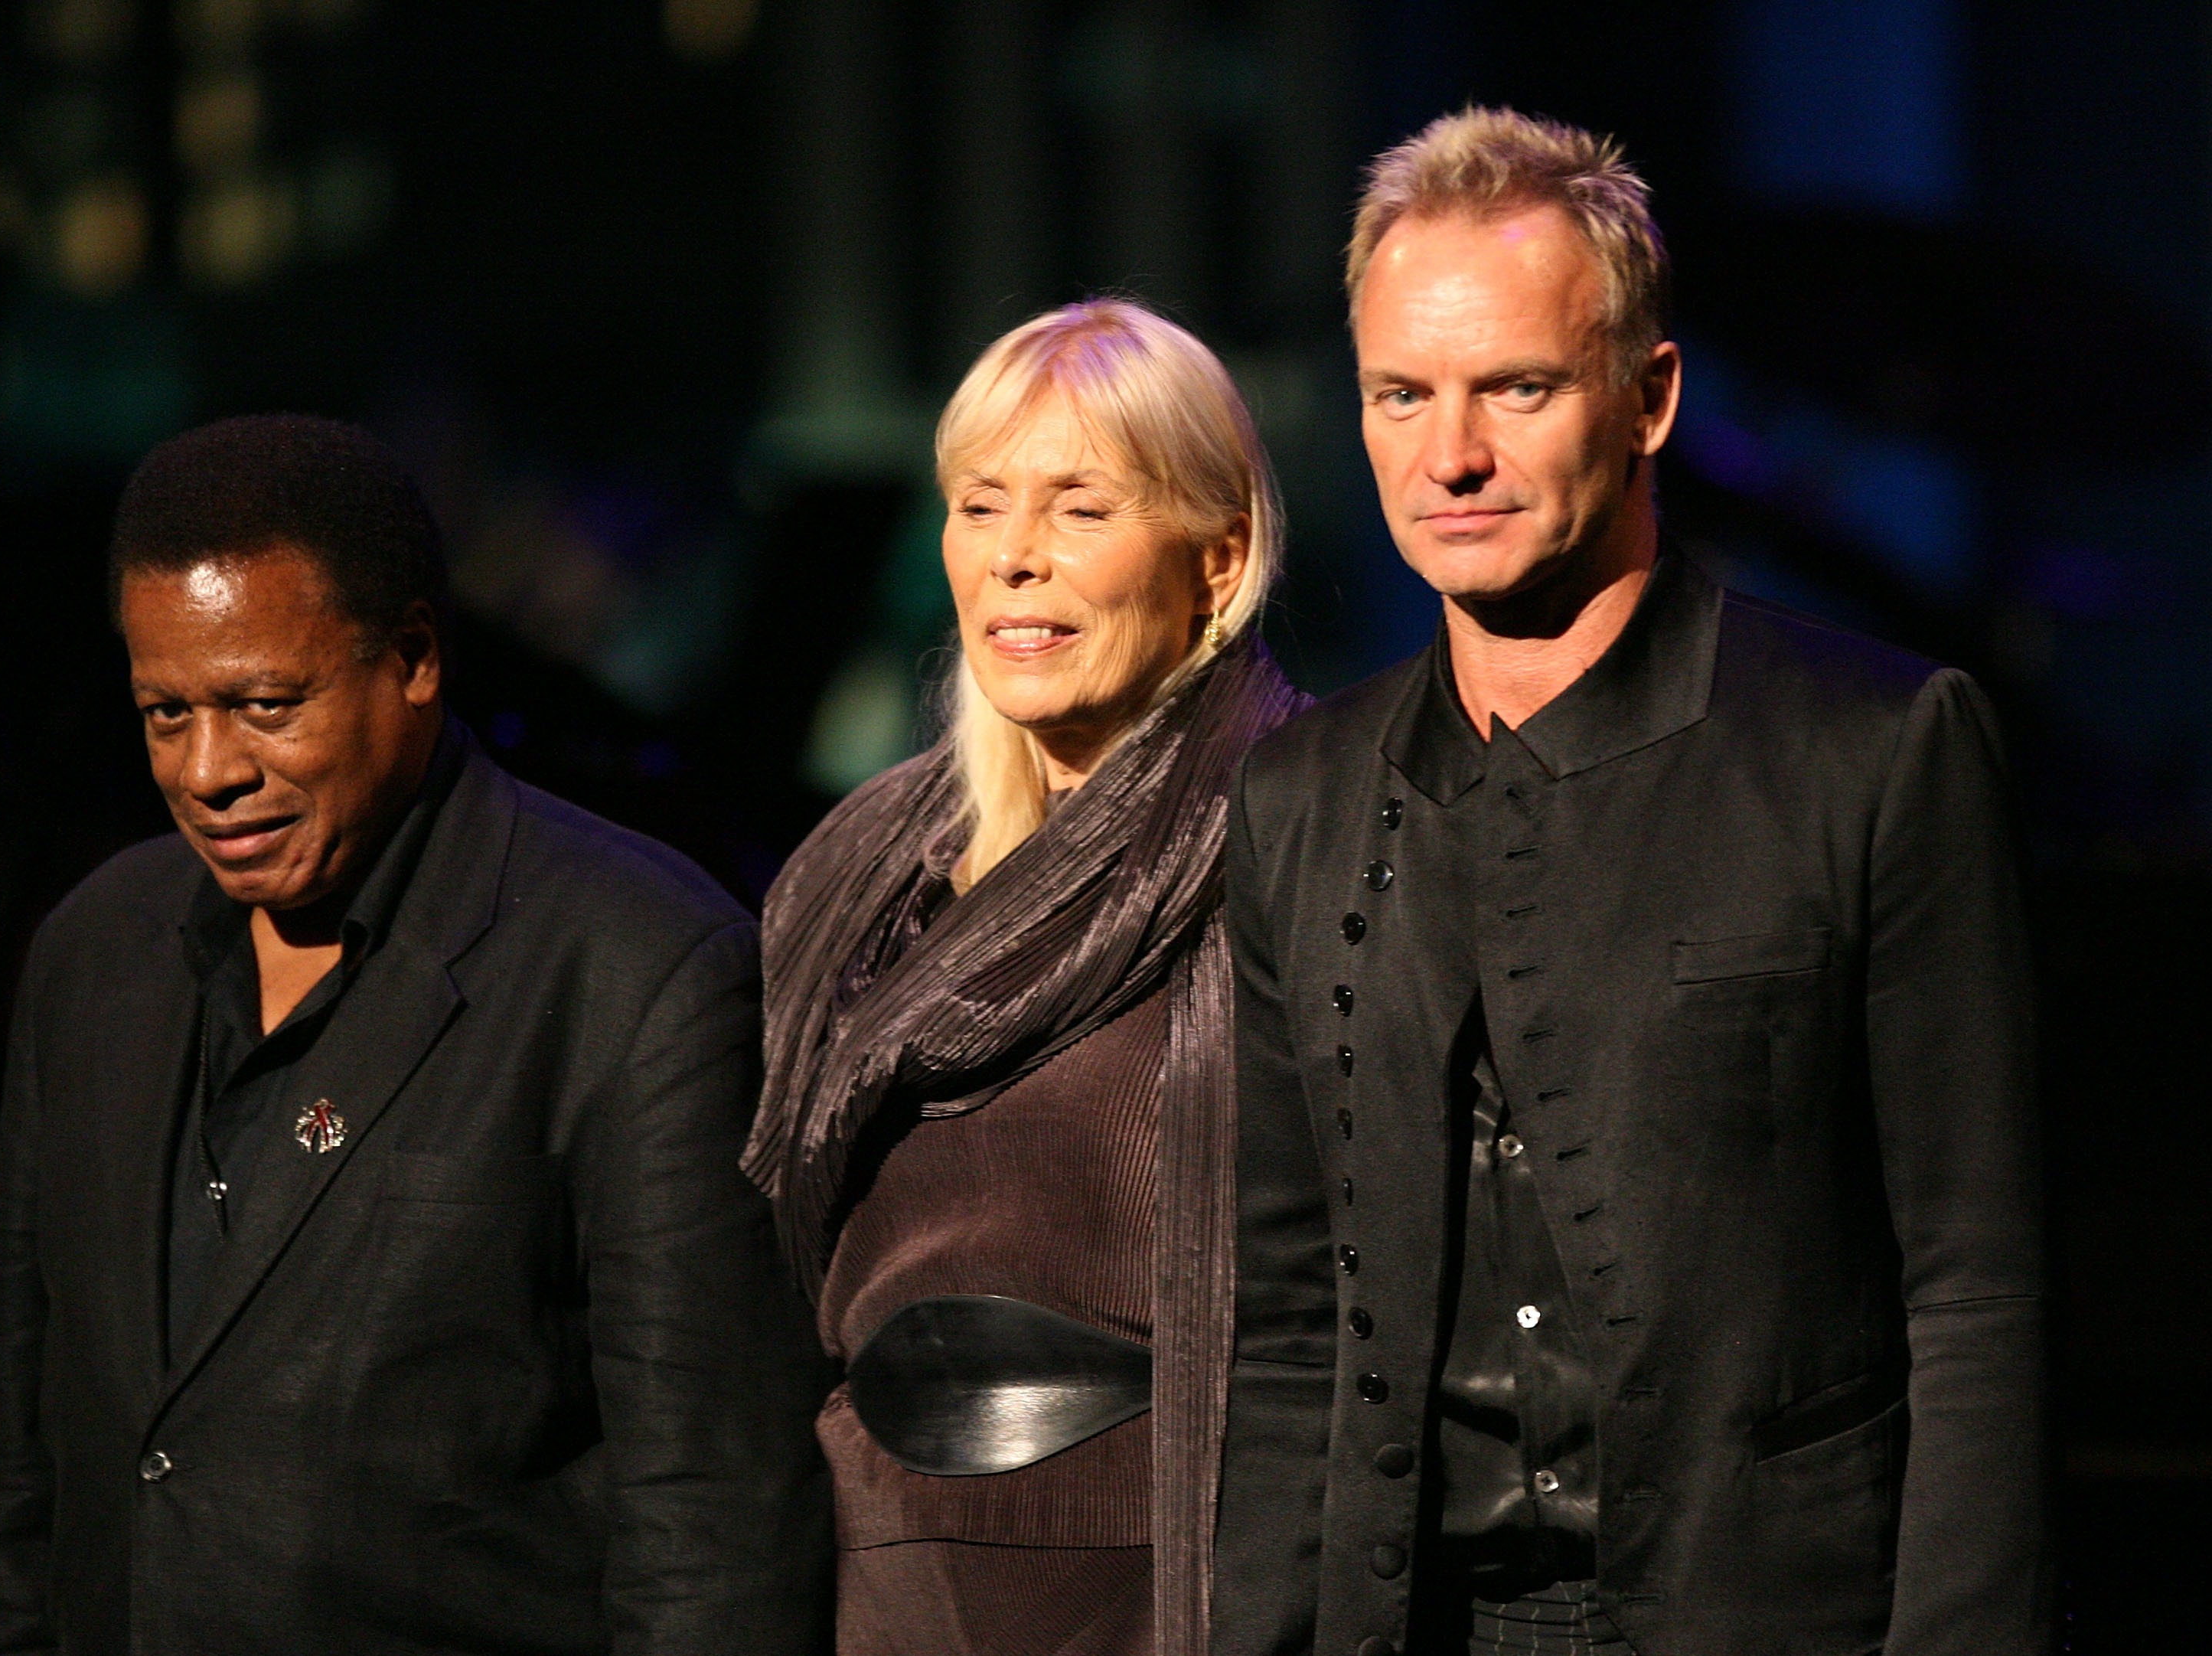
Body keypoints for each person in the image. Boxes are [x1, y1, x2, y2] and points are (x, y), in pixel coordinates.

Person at [1213, 108, 2048, 1656]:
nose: (1451, 455)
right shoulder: (1298, 793)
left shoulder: (1873, 747)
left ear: (1650, 396)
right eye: (1402, 394)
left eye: (1516, 387)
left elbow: (1977, 1287)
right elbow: (1288, 1318)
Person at [0, 416, 834, 1656]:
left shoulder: (641, 972)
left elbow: (713, 1532)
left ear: (414, 657)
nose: (208, 769)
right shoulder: (93, 952)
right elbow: (21, 1472)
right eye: (164, 713)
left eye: (266, 705)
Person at [744, 300, 1308, 1656]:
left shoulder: (1307, 844)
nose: (1014, 557)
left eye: (1080, 509)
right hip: (869, 1567)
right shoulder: (853, 871)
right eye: (981, 505)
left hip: (1169, 1574)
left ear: (1219, 561)